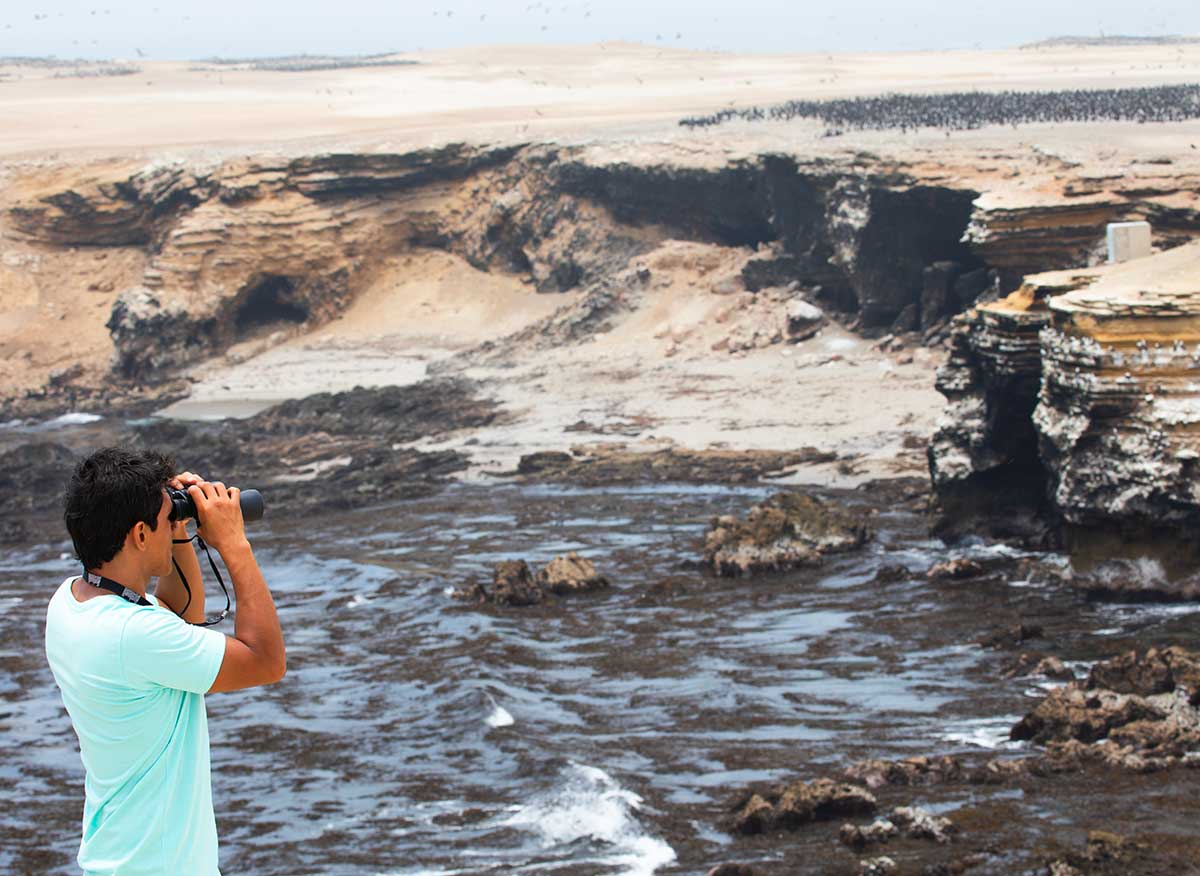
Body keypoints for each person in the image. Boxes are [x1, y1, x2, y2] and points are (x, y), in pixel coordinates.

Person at [45, 447, 286, 875]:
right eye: (161, 521)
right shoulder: (132, 635)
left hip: (121, 858)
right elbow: (266, 661)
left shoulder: (71, 602)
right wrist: (234, 544)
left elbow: (181, 615)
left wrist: (174, 526)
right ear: (140, 535)